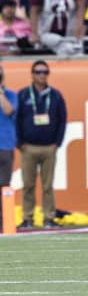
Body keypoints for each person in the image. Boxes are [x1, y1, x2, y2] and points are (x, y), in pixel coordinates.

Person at [16, 60, 67, 229]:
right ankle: (27, 218)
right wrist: (20, 142)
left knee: (47, 185)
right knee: (28, 185)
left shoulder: (56, 95)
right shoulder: (23, 94)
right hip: (28, 147)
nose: (41, 75)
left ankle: (49, 218)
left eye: (45, 72)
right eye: (38, 72)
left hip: (49, 147)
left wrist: (57, 143)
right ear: (32, 74)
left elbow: (62, 119)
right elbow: (16, 120)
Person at [0, 64, 17, 231]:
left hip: (5, 145)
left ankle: (4, 221)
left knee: (4, 183)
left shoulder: (11, 95)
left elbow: (8, 110)